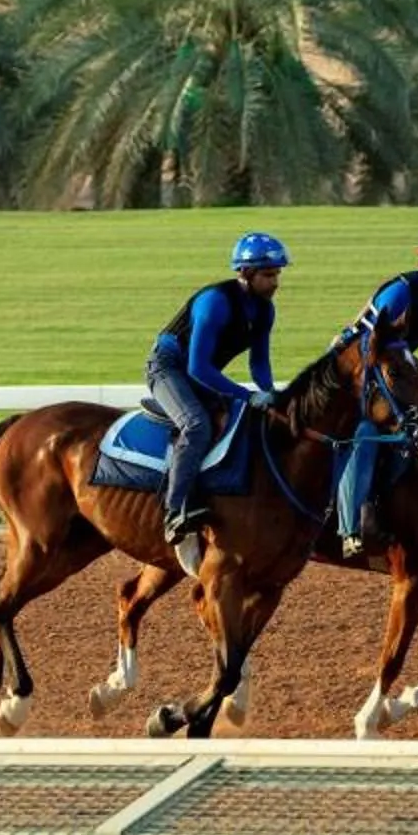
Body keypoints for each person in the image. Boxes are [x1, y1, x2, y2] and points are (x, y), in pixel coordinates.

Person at [148, 232, 285, 577]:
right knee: (196, 424)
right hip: (168, 368)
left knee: (247, 420)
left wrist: (270, 394)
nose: (275, 282)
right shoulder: (215, 302)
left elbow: (259, 363)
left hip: (198, 373)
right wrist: (247, 395)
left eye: (277, 274)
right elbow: (197, 367)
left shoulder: (265, 310)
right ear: (246, 273)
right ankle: (174, 510)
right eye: (268, 274)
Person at [332, 218, 418, 558]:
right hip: (355, 370)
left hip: (395, 371)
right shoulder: (402, 291)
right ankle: (349, 528)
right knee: (365, 434)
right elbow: (366, 343)